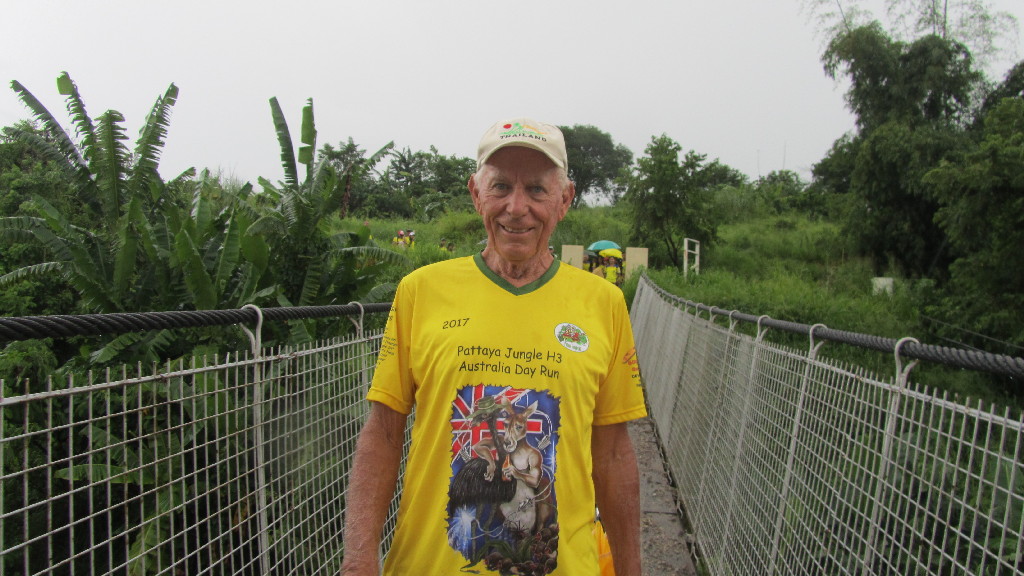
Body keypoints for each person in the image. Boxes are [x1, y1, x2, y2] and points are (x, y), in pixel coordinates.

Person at [341, 118, 646, 576]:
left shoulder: (603, 304)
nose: (516, 208)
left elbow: (614, 455)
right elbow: (384, 433)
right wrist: (359, 558)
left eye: (537, 190)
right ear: (476, 194)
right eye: (501, 186)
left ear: (565, 200)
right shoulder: (420, 292)